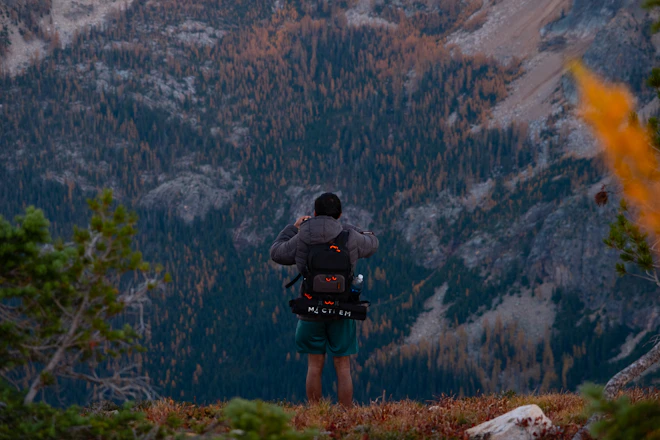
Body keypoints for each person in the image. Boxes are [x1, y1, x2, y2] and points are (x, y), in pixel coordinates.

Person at [270, 193, 378, 407]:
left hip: (310, 308)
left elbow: (277, 253)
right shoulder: (349, 237)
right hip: (342, 309)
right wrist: (352, 229)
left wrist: (293, 227)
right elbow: (372, 244)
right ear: (339, 214)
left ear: (314, 213)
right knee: (343, 367)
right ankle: (346, 413)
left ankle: (315, 413)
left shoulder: (302, 237)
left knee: (314, 365)